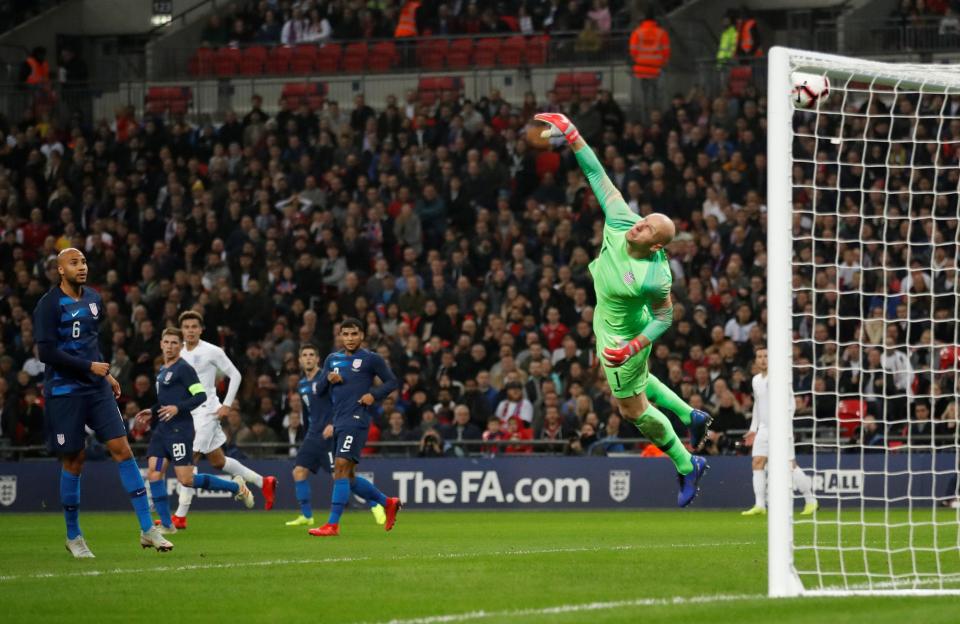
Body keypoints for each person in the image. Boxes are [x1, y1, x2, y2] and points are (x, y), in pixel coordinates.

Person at [534, 113, 707, 507]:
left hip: (625, 338)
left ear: (657, 246)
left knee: (633, 410)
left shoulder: (652, 276)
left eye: (647, 229)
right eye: (643, 220)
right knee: (641, 384)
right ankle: (690, 416)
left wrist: (631, 348)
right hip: (610, 321)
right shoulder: (620, 219)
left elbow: (666, 316)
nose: (638, 226)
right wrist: (573, 134)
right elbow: (598, 176)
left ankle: (686, 462)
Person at [33, 248, 166, 556]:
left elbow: (91, 343)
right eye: (73, 263)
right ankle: (73, 535)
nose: (81, 267)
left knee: (122, 448)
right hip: (65, 391)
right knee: (74, 460)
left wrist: (104, 373)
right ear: (60, 270)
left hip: (96, 388)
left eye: (83, 261)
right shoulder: (48, 306)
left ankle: (148, 529)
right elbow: (47, 354)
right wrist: (89, 368)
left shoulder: (94, 300)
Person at [136, 328, 253, 542]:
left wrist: (177, 409)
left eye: (174, 343)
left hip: (180, 430)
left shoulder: (185, 369)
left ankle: (236, 486)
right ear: (161, 344)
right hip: (162, 430)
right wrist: (152, 410)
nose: (170, 346)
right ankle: (167, 525)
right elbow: (165, 401)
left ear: (180, 346)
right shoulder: (162, 370)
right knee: (154, 473)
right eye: (167, 342)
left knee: (186, 479)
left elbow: (199, 396)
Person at [169, 311, 276, 529]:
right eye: (186, 327)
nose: (190, 330)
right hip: (189, 413)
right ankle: (262, 481)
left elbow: (235, 374)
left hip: (207, 411)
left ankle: (180, 516)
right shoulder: (178, 352)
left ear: (201, 329)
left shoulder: (211, 351)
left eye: (194, 327)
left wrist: (226, 404)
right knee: (219, 461)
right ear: (182, 330)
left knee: (188, 462)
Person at [309, 319, 401, 537]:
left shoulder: (371, 359)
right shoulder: (333, 359)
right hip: (339, 420)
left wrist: (374, 395)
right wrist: (328, 379)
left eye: (354, 334)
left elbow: (391, 382)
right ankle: (387, 502)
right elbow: (319, 390)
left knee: (340, 466)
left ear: (362, 336)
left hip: (357, 418)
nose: (349, 338)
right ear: (340, 336)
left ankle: (332, 525)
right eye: (345, 334)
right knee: (346, 476)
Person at [285, 343, 385, 527]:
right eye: (304, 355)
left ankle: (375, 503)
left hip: (333, 432)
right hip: (313, 435)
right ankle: (307, 516)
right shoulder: (302, 384)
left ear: (317, 359)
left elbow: (341, 400)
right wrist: (306, 432)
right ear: (300, 360)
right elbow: (307, 412)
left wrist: (333, 423)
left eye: (311, 354)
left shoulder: (329, 377)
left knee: (343, 477)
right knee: (298, 472)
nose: (308, 357)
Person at [741, 347, 818, 516]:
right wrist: (753, 429)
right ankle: (760, 505)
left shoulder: (780, 377)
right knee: (757, 462)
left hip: (781, 428)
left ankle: (810, 500)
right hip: (764, 428)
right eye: (759, 356)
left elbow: (792, 404)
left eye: (766, 356)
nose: (763, 359)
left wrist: (784, 426)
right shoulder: (756, 380)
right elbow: (757, 405)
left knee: (789, 465)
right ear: (755, 361)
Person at [627, 13, 670, 116]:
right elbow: (666, 52)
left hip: (641, 70)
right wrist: (661, 63)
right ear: (655, 21)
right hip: (656, 70)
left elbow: (633, 51)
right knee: (657, 97)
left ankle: (644, 117)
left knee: (643, 98)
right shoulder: (661, 33)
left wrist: (640, 62)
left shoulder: (637, 32)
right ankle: (656, 118)